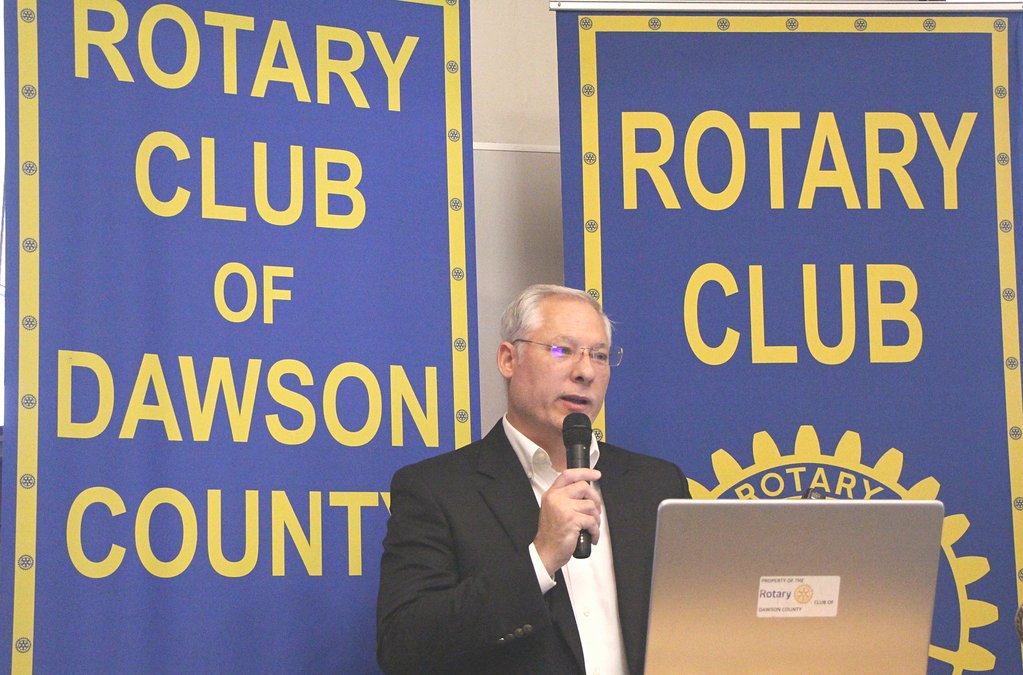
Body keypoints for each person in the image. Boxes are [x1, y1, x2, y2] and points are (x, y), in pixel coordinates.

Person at [377, 284, 691, 674]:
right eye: (562, 350)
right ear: (509, 359)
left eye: (599, 355)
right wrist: (539, 559)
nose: (585, 372)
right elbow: (404, 646)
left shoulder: (656, 486)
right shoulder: (437, 491)